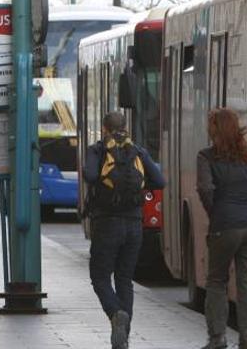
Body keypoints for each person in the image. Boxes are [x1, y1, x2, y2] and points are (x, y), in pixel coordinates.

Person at [83, 111, 165, 349]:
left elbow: (89, 175)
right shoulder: (138, 150)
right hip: (134, 224)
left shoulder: (97, 150)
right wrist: (137, 190)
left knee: (99, 276)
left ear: (104, 128)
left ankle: (115, 314)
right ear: (125, 127)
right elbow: (159, 181)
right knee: (125, 279)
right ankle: (123, 337)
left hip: (107, 222)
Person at [197, 108, 247, 349]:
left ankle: (217, 338)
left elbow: (205, 188)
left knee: (217, 280)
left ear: (213, 129)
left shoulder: (206, 157)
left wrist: (216, 212)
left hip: (224, 226)